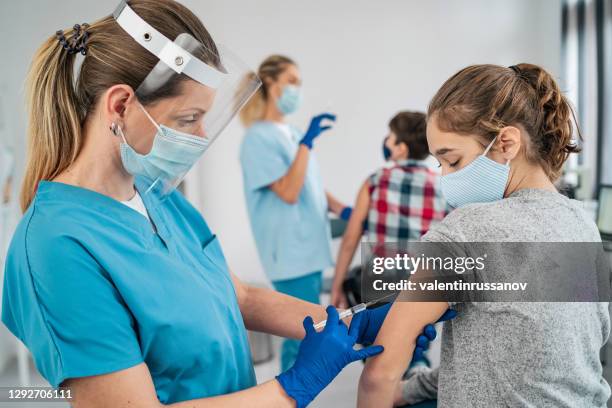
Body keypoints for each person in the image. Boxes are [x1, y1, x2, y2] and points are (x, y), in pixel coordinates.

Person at [0, 1, 444, 406]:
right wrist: (295, 385)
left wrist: (351, 323)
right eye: (188, 119)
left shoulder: (157, 198)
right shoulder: (57, 247)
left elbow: (240, 297)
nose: (199, 137)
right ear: (119, 106)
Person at [357, 63, 611, 407]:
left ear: (506, 143)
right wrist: (410, 391)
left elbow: (380, 374)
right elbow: (537, 363)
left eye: (453, 161)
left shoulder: (468, 230)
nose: (445, 177)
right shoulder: (582, 224)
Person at [239, 55, 352, 371]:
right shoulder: (257, 138)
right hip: (289, 253)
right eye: (292, 81)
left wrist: (343, 209)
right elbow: (288, 192)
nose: (297, 89)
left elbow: (308, 184)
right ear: (271, 85)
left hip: (308, 249)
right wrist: (306, 143)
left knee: (306, 332)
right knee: (300, 335)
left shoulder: (290, 132)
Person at [330, 111, 447, 310]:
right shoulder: (441, 185)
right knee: (415, 339)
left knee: (375, 335)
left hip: (380, 282)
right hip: (421, 283)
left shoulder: (376, 180)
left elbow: (350, 239)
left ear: (400, 149)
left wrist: (335, 288)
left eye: (390, 137)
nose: (386, 141)